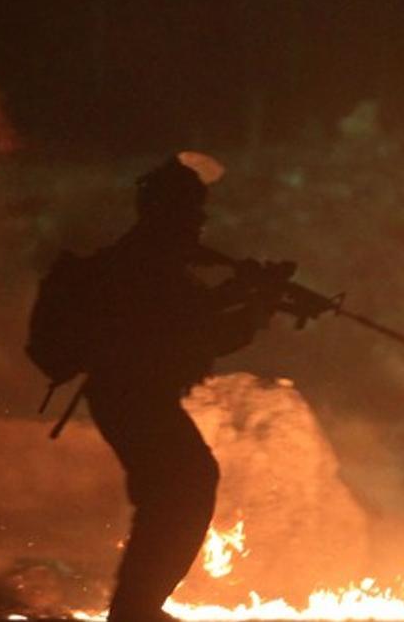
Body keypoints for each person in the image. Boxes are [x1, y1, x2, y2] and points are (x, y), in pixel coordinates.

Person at [82, 153, 277, 622]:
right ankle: (135, 609)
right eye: (193, 210)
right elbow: (205, 333)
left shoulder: (147, 259)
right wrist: (259, 308)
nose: (200, 221)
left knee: (177, 489)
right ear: (169, 211)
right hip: (133, 396)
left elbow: (192, 314)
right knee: (183, 487)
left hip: (128, 395)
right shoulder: (150, 263)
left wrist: (241, 292)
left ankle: (138, 605)